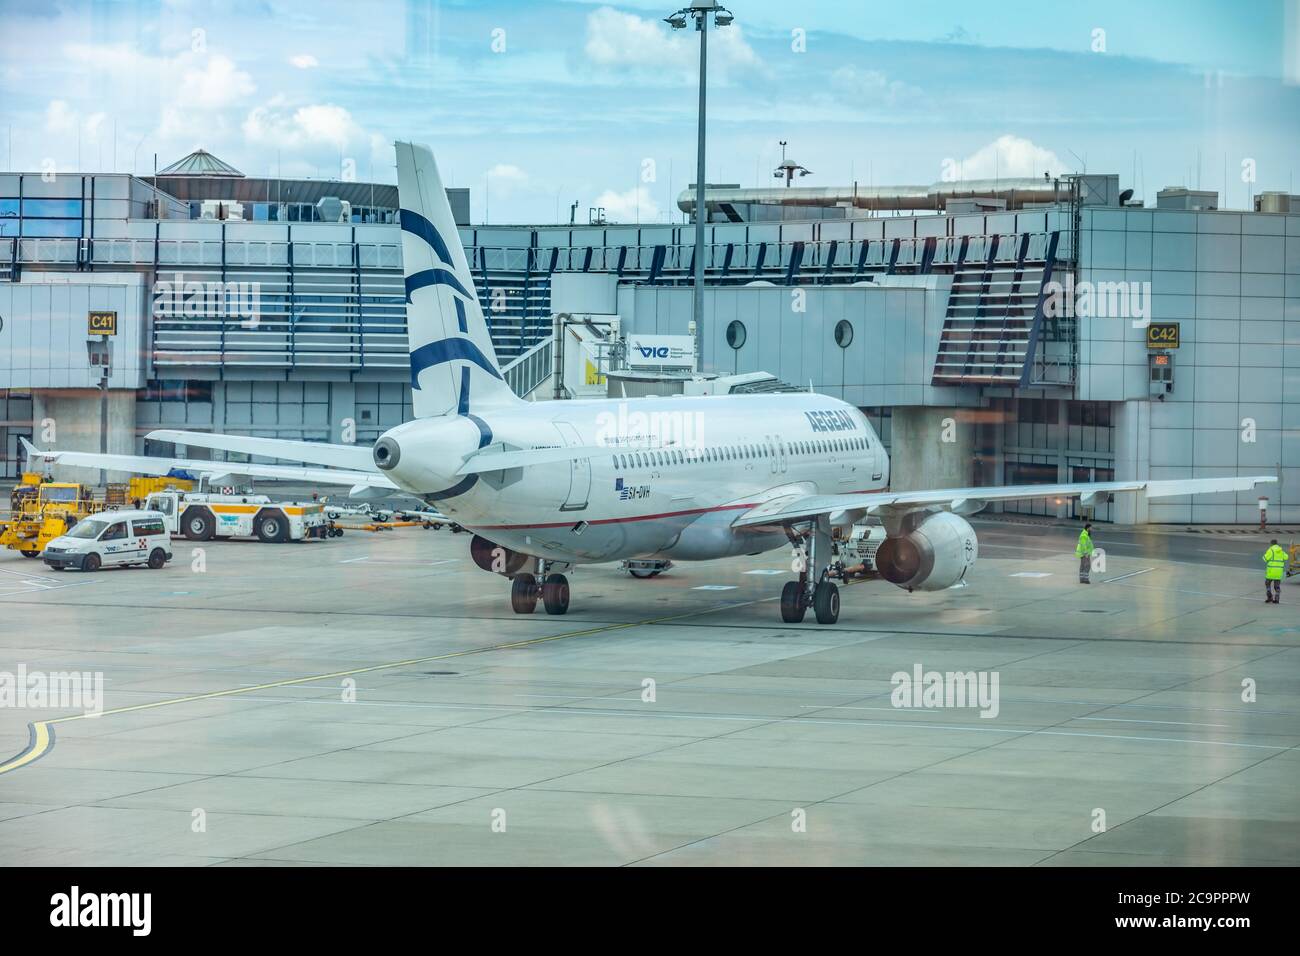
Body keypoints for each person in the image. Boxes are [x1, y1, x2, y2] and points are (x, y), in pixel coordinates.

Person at [1263, 539, 1288, 604]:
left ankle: (1269, 597)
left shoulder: (1270, 550)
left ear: (1271, 544)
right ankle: (1277, 599)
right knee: (1277, 586)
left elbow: (1265, 558)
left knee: (1267, 584)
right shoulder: (1281, 551)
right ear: (1277, 544)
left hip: (1271, 571)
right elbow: (1286, 557)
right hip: (1279, 572)